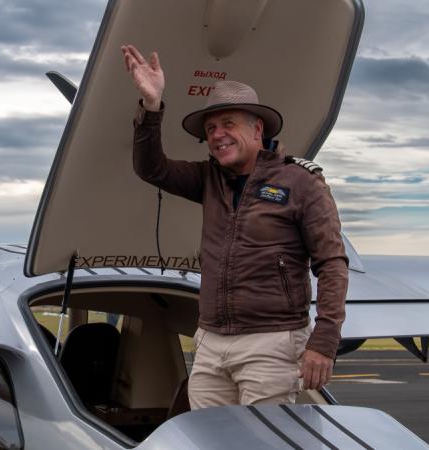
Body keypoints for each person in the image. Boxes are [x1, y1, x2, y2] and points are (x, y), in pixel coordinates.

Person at [121, 44, 349, 407]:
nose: (217, 134)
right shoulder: (208, 178)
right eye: (211, 128)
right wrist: (152, 106)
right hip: (211, 343)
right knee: (208, 439)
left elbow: (332, 263)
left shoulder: (301, 182)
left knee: (260, 442)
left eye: (228, 124)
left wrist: (324, 339)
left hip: (272, 342)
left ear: (257, 129)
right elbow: (151, 168)